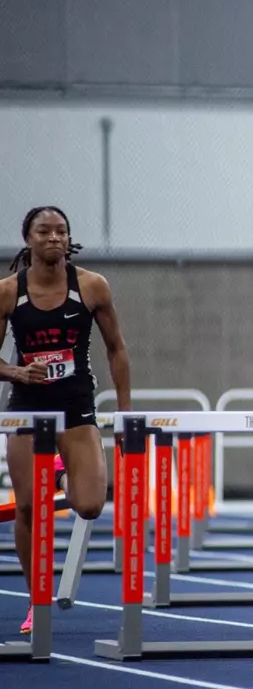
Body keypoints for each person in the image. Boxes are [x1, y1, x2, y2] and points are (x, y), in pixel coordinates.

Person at [0, 206, 130, 635]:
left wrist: (126, 413)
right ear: (29, 239)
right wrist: (17, 371)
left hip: (75, 405)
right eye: (44, 231)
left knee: (90, 504)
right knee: (25, 506)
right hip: (26, 407)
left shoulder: (92, 286)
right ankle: (38, 598)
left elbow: (117, 348)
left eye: (61, 231)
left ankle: (59, 472)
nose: (54, 237)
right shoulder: (7, 292)